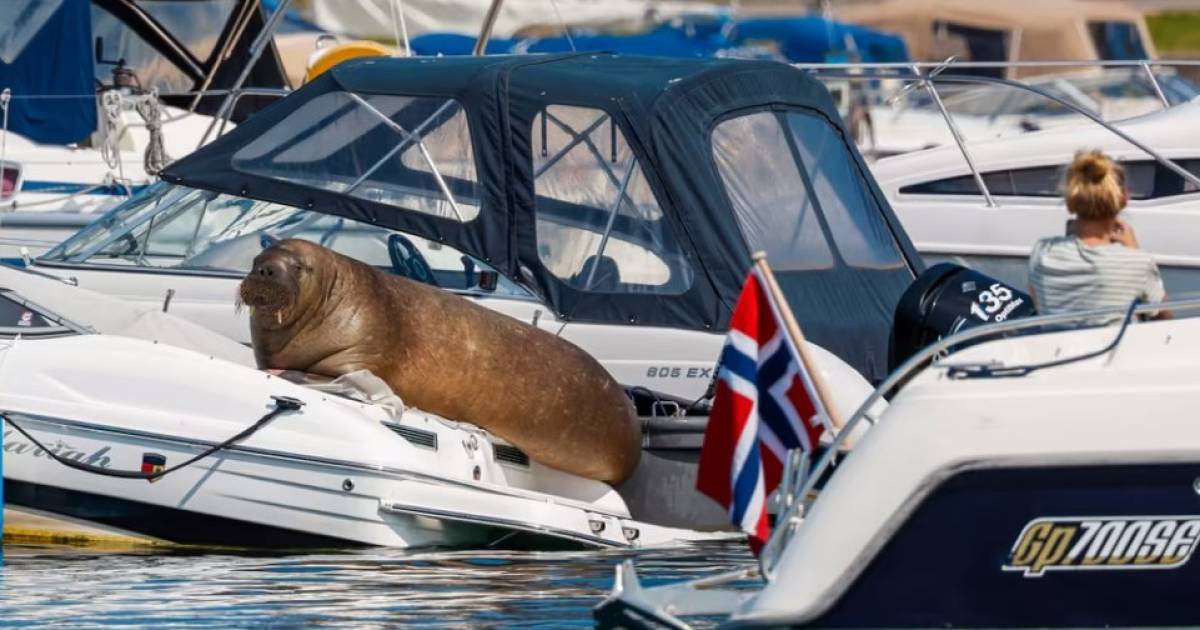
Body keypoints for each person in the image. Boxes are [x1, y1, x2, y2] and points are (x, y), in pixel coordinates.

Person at [1028, 150, 1169, 319]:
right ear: (1124, 198)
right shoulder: (1137, 262)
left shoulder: (1042, 251)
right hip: (1113, 346)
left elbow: (1038, 302)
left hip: (1058, 344)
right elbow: (1163, 317)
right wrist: (1134, 250)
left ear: (1070, 201)